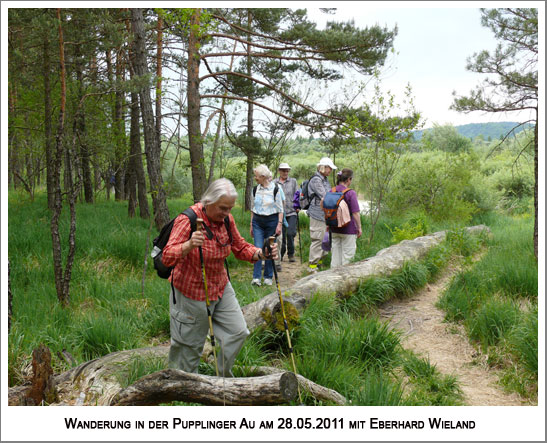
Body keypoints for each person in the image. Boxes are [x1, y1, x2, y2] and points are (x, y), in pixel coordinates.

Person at [161, 178, 278, 376]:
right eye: (223, 208)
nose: (227, 213)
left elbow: (240, 247)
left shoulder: (226, 220)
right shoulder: (187, 219)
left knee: (238, 332)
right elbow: (167, 256)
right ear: (208, 201)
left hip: (220, 286)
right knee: (188, 347)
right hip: (191, 291)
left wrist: (261, 254)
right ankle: (181, 390)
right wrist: (188, 245)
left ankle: (219, 378)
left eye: (230, 208)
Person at [250, 164, 285, 286]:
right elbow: (253, 208)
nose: (255, 178)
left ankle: (268, 277)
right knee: (258, 247)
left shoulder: (275, 189)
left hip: (272, 221)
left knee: (270, 248)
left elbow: (280, 209)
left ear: (263, 176)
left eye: (257, 176)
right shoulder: (255, 189)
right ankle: (256, 277)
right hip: (257, 221)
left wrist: (279, 224)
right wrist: (251, 224)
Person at [307, 157, 337, 273]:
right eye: (330, 168)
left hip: (324, 214)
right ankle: (312, 267)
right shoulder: (316, 180)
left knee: (324, 239)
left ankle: (318, 262)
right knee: (317, 239)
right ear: (324, 167)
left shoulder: (324, 179)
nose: (330, 171)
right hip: (316, 214)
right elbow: (325, 195)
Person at [330, 168, 362, 267]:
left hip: (334, 229)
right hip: (348, 229)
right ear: (348, 179)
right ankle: (345, 280)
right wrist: (359, 227)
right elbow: (355, 213)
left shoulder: (332, 190)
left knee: (335, 257)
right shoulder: (350, 193)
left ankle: (332, 278)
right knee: (348, 258)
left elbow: (325, 207)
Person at [274, 163, 299, 266]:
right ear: (279, 171)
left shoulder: (293, 181)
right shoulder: (274, 182)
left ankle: (291, 253)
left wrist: (298, 206)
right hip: (280, 213)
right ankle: (281, 253)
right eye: (283, 170)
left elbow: (297, 194)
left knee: (290, 233)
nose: (285, 172)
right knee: (282, 235)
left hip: (292, 211)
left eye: (287, 170)